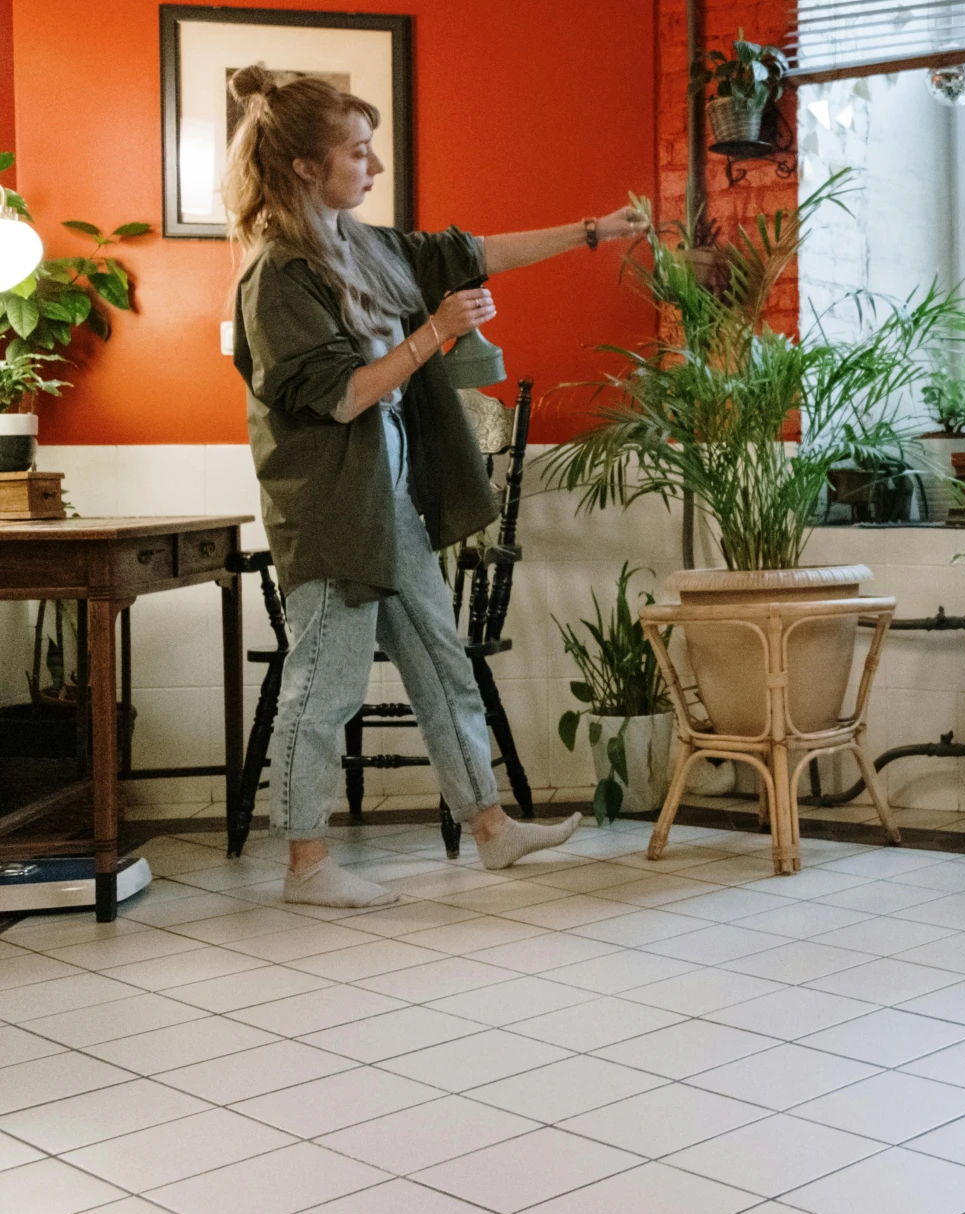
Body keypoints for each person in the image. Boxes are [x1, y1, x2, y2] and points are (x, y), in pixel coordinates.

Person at [225, 66, 648, 907]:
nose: (374, 165)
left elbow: (474, 253)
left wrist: (595, 230)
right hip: (331, 513)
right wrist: (435, 332)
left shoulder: (365, 247)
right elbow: (344, 394)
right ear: (307, 166)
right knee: (325, 683)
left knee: (442, 662)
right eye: (357, 151)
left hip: (389, 501)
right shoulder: (277, 276)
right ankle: (306, 864)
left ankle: (489, 828)